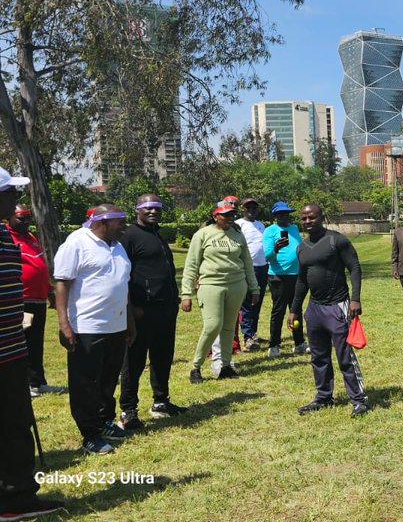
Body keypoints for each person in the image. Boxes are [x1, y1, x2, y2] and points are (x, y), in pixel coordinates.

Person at [0, 167, 66, 519]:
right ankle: (13, 500)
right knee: (10, 427)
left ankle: (16, 494)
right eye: (10, 192)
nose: (16, 198)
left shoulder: (4, 234)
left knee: (16, 424)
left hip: (12, 347)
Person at [54, 203, 135, 454]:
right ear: (102, 222)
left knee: (109, 378)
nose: (124, 225)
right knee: (86, 382)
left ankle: (104, 420)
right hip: (87, 326)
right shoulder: (76, 243)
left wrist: (129, 322)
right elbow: (62, 284)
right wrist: (64, 323)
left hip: (116, 325)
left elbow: (124, 286)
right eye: (119, 221)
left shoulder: (118, 246)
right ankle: (89, 434)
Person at [288, 204, 369, 417]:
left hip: (338, 306)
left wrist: (355, 299)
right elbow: (301, 280)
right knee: (318, 355)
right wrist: (295, 309)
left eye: (311, 218)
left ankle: (359, 400)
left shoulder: (337, 240)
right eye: (304, 219)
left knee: (345, 356)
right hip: (315, 309)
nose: (307, 222)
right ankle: (324, 396)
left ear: (321, 217)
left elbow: (355, 268)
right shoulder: (302, 247)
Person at [117, 194, 188, 431]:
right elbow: (123, 275)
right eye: (147, 208)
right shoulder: (129, 236)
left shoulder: (157, 234)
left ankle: (160, 401)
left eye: (157, 208)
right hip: (141, 310)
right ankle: (128, 410)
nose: (153, 211)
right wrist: (131, 307)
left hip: (165, 308)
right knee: (134, 361)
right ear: (137, 209)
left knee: (162, 356)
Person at [181, 200, 259, 383]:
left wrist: (254, 287)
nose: (230, 218)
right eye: (226, 215)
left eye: (232, 214)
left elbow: (247, 263)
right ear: (215, 216)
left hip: (237, 285)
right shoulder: (202, 234)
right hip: (211, 285)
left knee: (229, 327)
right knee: (212, 326)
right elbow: (191, 265)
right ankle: (196, 367)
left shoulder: (238, 235)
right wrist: (186, 294)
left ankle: (225, 366)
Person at [7, 204, 63, 398]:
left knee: (36, 342)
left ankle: (38, 382)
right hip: (22, 301)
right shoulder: (7, 237)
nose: (26, 221)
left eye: (28, 217)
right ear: (10, 217)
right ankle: (26, 384)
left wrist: (50, 292)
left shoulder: (30, 238)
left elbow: (40, 268)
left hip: (38, 300)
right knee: (23, 341)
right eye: (21, 217)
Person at [263, 201, 307, 358]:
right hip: (278, 276)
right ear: (275, 216)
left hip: (296, 275)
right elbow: (267, 256)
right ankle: (274, 345)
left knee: (296, 309)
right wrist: (276, 248)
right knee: (279, 311)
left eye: (287, 214)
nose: (285, 217)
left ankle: (299, 343)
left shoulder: (294, 229)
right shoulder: (270, 231)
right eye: (281, 214)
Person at [236, 198, 269, 350]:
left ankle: (253, 333)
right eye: (248, 207)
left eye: (254, 207)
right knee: (247, 303)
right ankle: (247, 336)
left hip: (263, 267)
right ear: (243, 209)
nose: (251, 209)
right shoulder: (238, 224)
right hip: (248, 269)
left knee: (258, 300)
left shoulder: (260, 225)